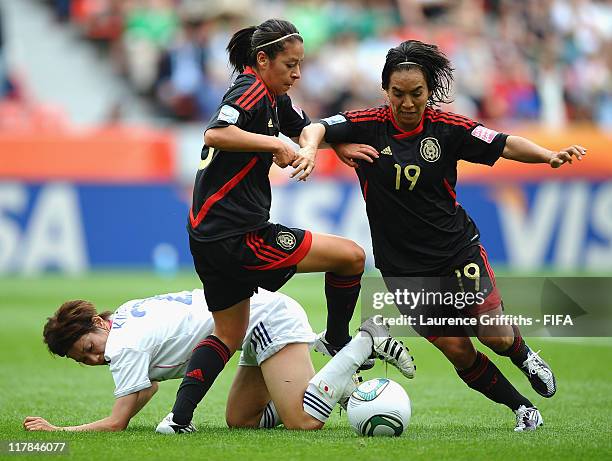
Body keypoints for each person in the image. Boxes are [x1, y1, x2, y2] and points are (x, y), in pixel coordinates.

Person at [298, 40, 587, 432]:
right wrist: (316, 148)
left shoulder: (448, 129)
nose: (407, 103)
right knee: (457, 350)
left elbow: (502, 143)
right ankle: (523, 410)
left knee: (496, 336)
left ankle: (525, 356)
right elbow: (315, 126)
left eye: (416, 93)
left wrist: (548, 155)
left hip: (456, 253)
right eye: (398, 94)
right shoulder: (365, 123)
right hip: (403, 269)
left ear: (429, 91)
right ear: (386, 90)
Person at [172, 18, 369, 433]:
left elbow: (304, 126)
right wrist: (276, 143)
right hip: (238, 236)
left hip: (207, 237)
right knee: (351, 257)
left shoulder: (273, 95)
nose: (297, 74)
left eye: (301, 65)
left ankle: (178, 419)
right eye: (290, 65)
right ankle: (336, 339)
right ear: (262, 60)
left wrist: (337, 143)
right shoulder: (249, 90)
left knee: (228, 333)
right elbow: (216, 134)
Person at [23, 289, 414, 433]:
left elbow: (115, 424)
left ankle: (364, 342)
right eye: (84, 360)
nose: (96, 357)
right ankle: (332, 385)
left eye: (90, 346)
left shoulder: (123, 346)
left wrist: (58, 431)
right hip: (250, 322)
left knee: (304, 421)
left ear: (97, 322)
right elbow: (149, 386)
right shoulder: (124, 315)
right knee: (241, 420)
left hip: (266, 318)